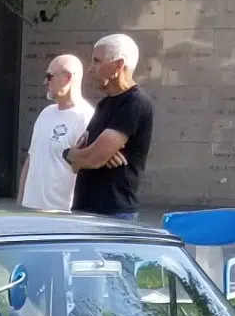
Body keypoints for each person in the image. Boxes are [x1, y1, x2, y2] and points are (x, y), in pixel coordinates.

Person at [66, 33, 154, 217]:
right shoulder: (103, 105)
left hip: (114, 215)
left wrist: (84, 155)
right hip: (84, 210)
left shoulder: (135, 103)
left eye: (97, 61)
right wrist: (70, 154)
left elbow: (93, 159)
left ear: (118, 65)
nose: (90, 69)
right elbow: (78, 164)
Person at [18, 54, 91, 213]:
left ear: (67, 77)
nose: (45, 82)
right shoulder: (46, 113)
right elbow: (31, 158)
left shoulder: (86, 117)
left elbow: (84, 168)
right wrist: (20, 200)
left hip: (60, 215)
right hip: (29, 211)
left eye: (49, 76)